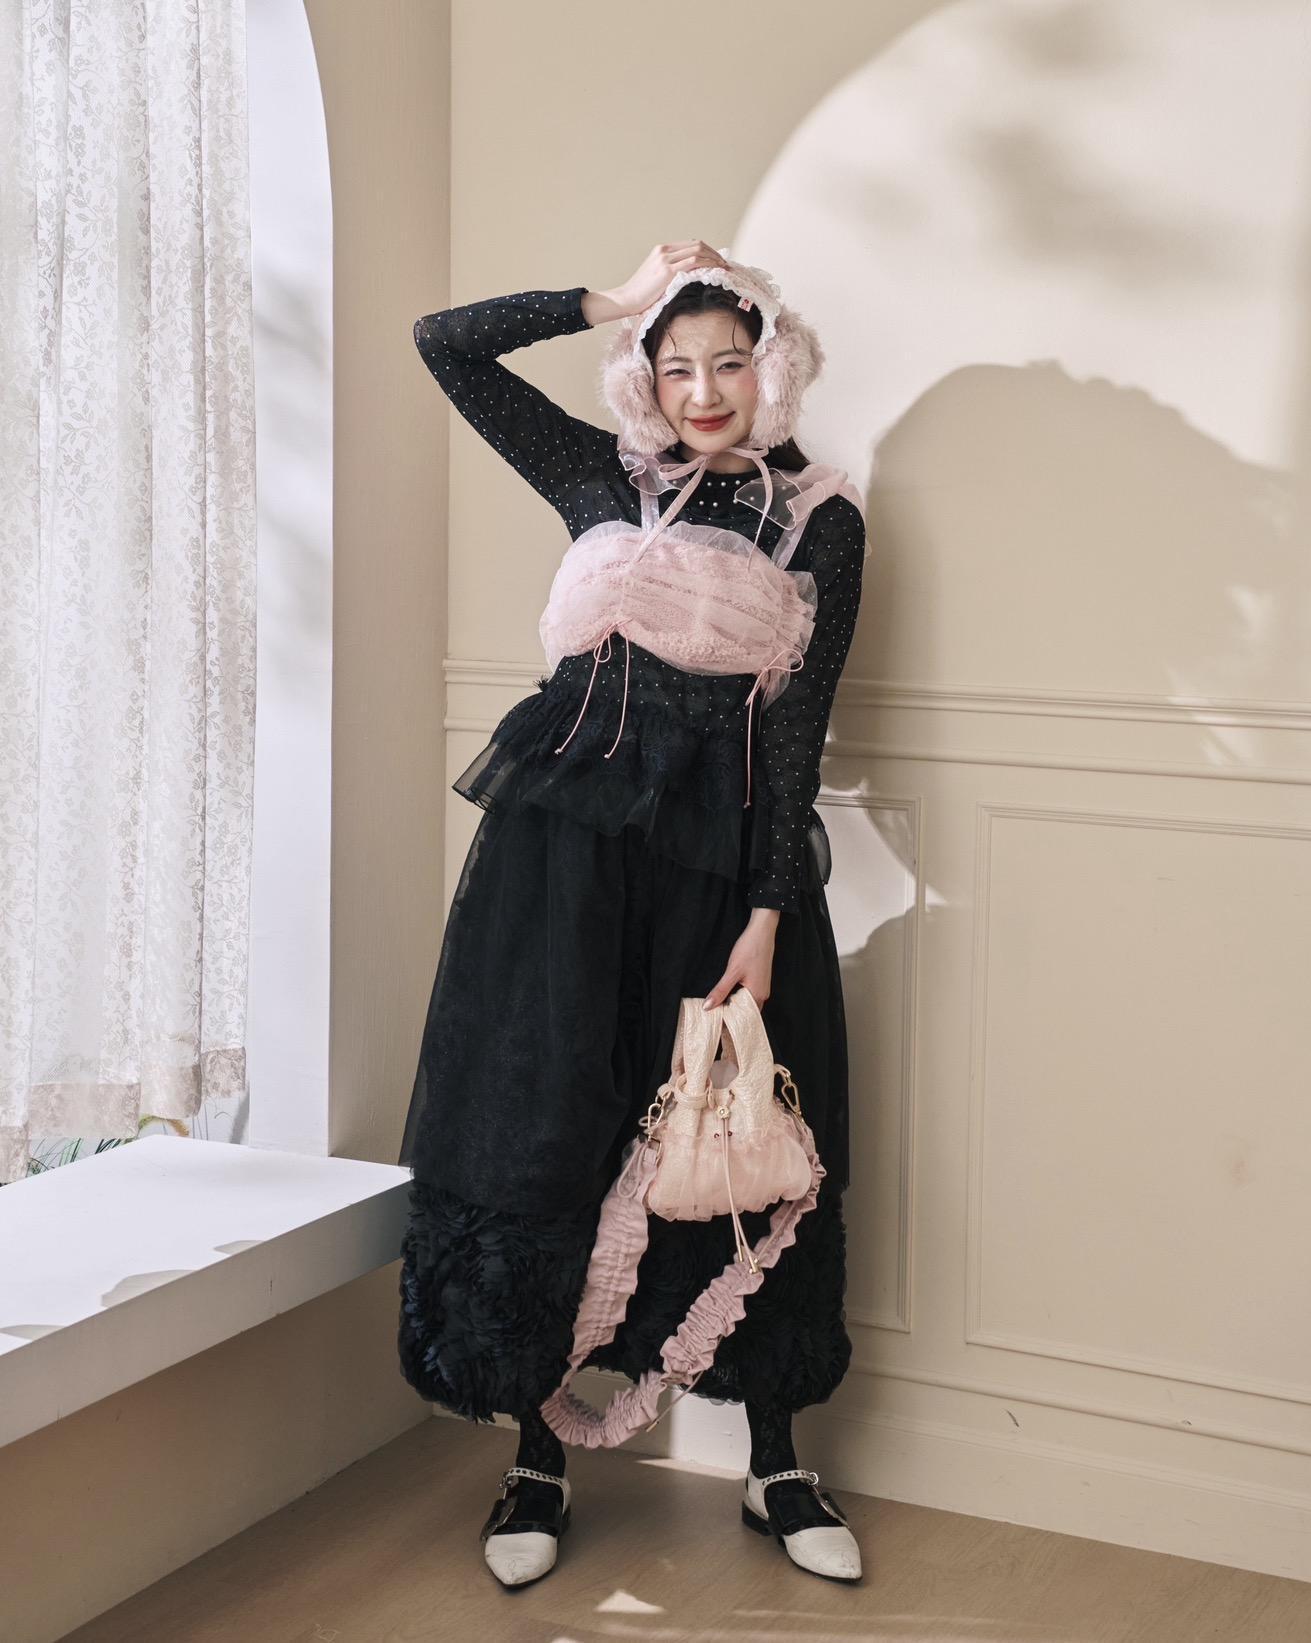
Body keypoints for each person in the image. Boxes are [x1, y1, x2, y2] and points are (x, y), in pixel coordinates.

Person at [397, 242, 869, 1588]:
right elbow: (443, 343)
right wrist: (604, 299)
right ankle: (536, 1457)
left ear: (772, 366)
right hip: (556, 862)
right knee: (546, 1127)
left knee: (738, 1135)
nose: (703, 392)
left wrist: (768, 912)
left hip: (720, 871)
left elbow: (797, 738)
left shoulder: (820, 518)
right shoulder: (601, 476)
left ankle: (775, 1462)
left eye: (729, 363)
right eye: (675, 368)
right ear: (643, 379)